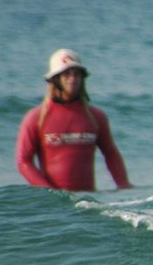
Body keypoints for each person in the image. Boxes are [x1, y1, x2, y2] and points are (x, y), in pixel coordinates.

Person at [16, 49, 132, 192]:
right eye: (66, 74)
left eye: (77, 74)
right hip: (54, 205)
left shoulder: (95, 117)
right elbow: (24, 162)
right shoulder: (36, 118)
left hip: (88, 202)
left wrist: (124, 186)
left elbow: (111, 154)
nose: (72, 78)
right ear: (55, 79)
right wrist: (49, 193)